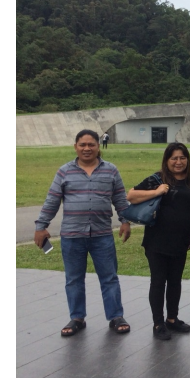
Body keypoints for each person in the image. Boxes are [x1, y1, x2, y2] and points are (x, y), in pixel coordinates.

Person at [33, 129, 132, 337]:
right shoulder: (64, 172)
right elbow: (52, 201)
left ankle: (116, 316)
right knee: (73, 279)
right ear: (75, 147)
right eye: (82, 145)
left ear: (98, 146)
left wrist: (125, 221)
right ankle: (77, 318)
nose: (87, 148)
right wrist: (41, 226)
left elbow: (120, 199)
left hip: (102, 234)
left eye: (91, 145)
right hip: (72, 236)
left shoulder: (111, 171)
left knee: (109, 277)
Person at [127, 143, 190, 340]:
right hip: (157, 240)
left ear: (187, 159)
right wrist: (156, 191)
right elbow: (131, 195)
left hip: (181, 240)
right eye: (174, 158)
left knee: (175, 281)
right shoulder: (157, 178)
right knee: (158, 281)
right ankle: (158, 323)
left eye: (182, 158)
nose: (178, 162)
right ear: (167, 160)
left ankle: (172, 319)